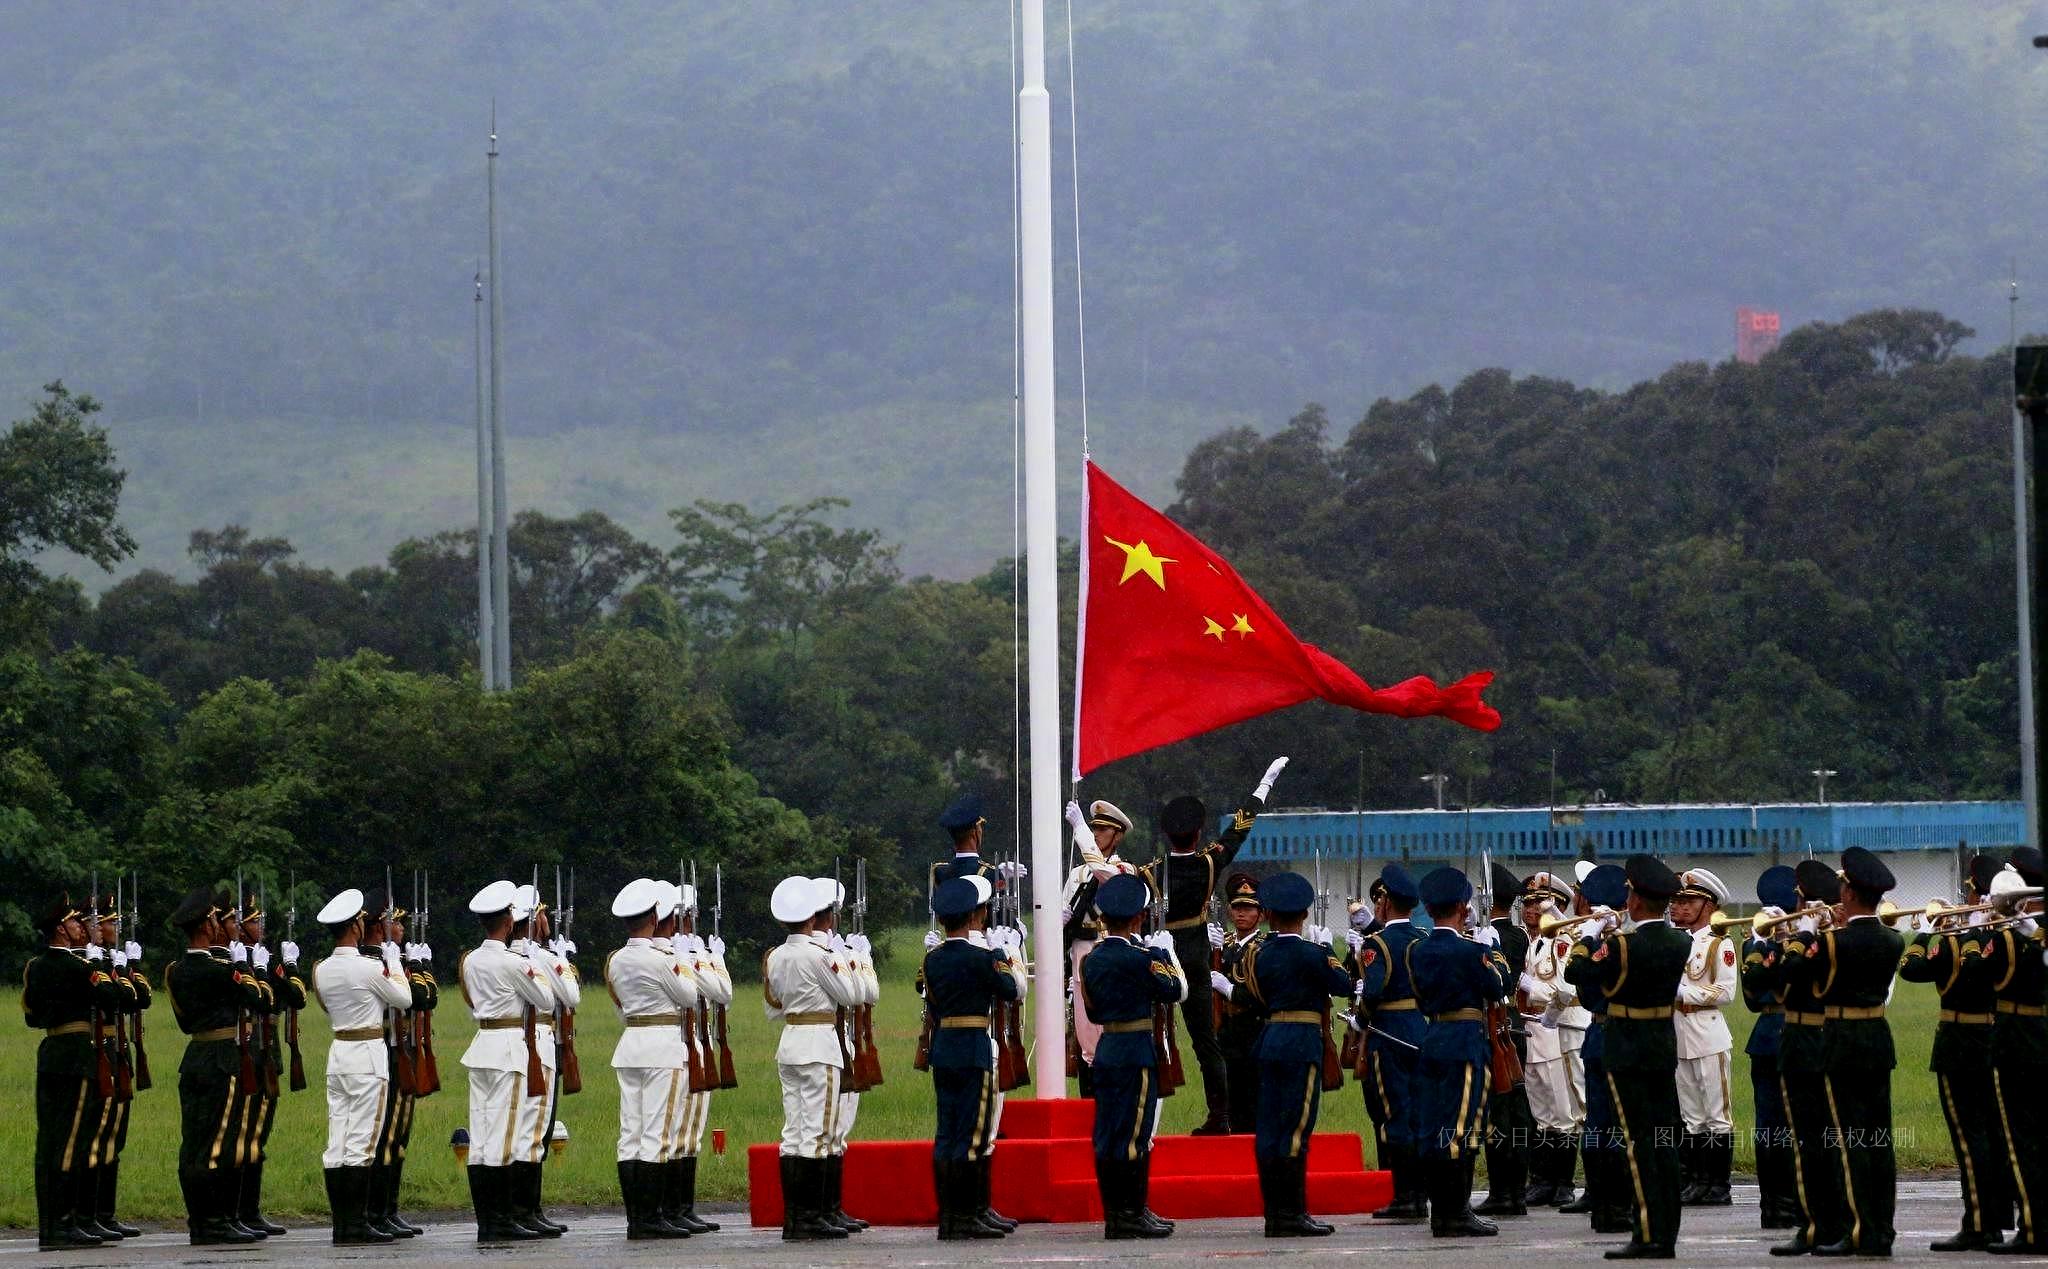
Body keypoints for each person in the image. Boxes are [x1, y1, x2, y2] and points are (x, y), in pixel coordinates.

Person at [1142, 756, 1288, 1135]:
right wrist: (1262, 789)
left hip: (1159, 956)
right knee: (1206, 1042)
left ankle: (1145, 1114)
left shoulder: (1152, 872)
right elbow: (1239, 829)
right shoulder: (1209, 864)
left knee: (1145, 1032)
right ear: (1199, 831)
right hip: (1195, 958)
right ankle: (1219, 1115)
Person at [1779, 846, 1906, 1258]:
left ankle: (1861, 1232)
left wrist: (1807, 932)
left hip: (1842, 1044)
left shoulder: (1833, 943)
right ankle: (1881, 1228)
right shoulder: (1891, 938)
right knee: (1878, 1140)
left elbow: (1794, 972)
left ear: (1848, 894)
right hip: (1877, 1038)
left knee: (1852, 1142)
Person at [1566, 854, 1691, 1260]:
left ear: (1635, 901)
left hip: (1626, 1048)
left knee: (1639, 1144)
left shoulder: (1620, 944)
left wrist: (1590, 934)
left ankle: (1647, 1234)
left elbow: (1575, 971)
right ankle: (1665, 1231)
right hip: (1661, 1045)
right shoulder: (1680, 941)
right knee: (1664, 1140)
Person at [1897, 853, 2009, 1251]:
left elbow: (1910, 967)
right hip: (1998, 1042)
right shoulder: (2011, 937)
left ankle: (1979, 1223)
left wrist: (1929, 928)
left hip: (1960, 1043)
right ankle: (1998, 1216)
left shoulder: (1958, 943)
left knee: (1969, 1137)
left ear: (1977, 894)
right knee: (1996, 1135)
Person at [1240, 870, 1354, 1237]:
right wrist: (1326, 951)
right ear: (1305, 915)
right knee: (1296, 1130)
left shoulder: (1257, 954)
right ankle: (1292, 1214)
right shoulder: (1314, 953)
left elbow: (1255, 996)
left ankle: (1276, 1213)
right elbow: (1344, 986)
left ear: (1269, 914)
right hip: (1303, 1041)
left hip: (1271, 1039)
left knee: (1270, 1130)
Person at [1410, 865, 1515, 1239]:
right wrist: (1494, 950)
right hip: (1465, 1041)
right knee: (1462, 1129)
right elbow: (1498, 987)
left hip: (1434, 1035)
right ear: (1462, 906)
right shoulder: (1472, 950)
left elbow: (1421, 1000)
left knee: (1435, 1127)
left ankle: (1443, 1212)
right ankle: (1456, 1213)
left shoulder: (1418, 950)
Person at [1079, 872, 1185, 1240]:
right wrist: (1165, 953)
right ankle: (1130, 1214)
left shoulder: (1090, 959)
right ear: (1138, 918)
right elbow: (1173, 990)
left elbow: (1093, 1013)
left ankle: (1118, 1214)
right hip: (1136, 1050)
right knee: (1135, 1135)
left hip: (1108, 1049)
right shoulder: (1143, 957)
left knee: (1108, 1133)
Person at [923, 874, 1027, 1240]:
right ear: (975, 917)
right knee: (972, 1133)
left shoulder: (932, 960)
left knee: (947, 1133)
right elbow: (1011, 989)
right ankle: (966, 1217)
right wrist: (1004, 953)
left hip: (945, 1047)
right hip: (973, 1048)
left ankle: (951, 1216)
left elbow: (933, 1002)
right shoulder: (984, 957)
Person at [164, 888, 270, 1245]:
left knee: (192, 1143)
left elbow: (183, 1022)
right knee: (220, 1143)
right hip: (223, 1059)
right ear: (207, 926)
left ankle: (202, 1220)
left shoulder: (176, 971)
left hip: (195, 1056)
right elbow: (257, 997)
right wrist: (243, 965)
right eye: (213, 919)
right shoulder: (221, 970)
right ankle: (216, 1220)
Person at [310, 887, 414, 1245]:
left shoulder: (322, 970)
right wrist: (395, 961)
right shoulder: (369, 967)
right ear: (356, 927)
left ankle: (343, 1224)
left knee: (337, 1140)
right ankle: (355, 1224)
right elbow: (404, 997)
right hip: (367, 1054)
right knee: (362, 1141)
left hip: (339, 1051)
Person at [458, 878, 558, 1243]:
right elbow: (546, 1000)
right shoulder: (515, 962)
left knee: (482, 1138)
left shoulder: (471, 961)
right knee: (503, 1137)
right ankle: (500, 1222)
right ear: (507, 921)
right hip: (509, 1051)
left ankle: (489, 1221)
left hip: (483, 1043)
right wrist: (535, 964)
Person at [765, 874, 864, 1241]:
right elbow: (851, 995)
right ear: (812, 917)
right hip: (820, 1044)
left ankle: (795, 1217)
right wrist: (848, 960)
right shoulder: (820, 955)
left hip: (790, 1041)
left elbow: (774, 1004)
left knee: (793, 1133)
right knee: (818, 1134)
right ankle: (810, 1217)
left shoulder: (775, 956)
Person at [25, 897, 124, 1251]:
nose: (81, 928)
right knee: (72, 1143)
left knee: (49, 1143)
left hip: (51, 1053)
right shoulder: (79, 966)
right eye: (74, 924)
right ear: (60, 930)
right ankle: (63, 1226)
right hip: (78, 1056)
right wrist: (98, 966)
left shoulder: (35, 967)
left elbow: (31, 1016)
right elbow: (112, 997)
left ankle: (51, 1225)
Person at [603, 877, 699, 1239]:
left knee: (631, 1134)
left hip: (631, 1045)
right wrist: (684, 960)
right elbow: (688, 996)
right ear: (655, 916)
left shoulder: (617, 960)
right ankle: (651, 1218)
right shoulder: (663, 959)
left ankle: (637, 1218)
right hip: (661, 1047)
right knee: (657, 1133)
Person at [1768, 858, 1849, 1257]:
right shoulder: (1834, 938)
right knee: (1824, 1139)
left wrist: (1791, 938)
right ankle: (1829, 1221)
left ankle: (1817, 1224)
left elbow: (1783, 976)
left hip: (1806, 1041)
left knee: (1812, 1141)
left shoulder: (1821, 942)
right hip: (1821, 1039)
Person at [1348, 863, 1429, 1220]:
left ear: (1384, 904)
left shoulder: (1376, 943)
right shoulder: (1423, 939)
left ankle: (1406, 1197)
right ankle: (1421, 1194)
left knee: (1395, 1115)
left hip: (1389, 1033)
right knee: (1419, 1114)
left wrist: (1361, 1018)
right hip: (1421, 1029)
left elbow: (1374, 990)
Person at [1559, 862, 1633, 1235]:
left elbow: (1579, 979)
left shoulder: (1600, 945)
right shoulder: (1630, 940)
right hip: (1619, 1037)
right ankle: (1613, 1205)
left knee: (1604, 1127)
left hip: (1604, 1036)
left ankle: (1606, 1207)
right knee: (1610, 1127)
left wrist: (1588, 938)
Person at [1979, 846, 2046, 1256]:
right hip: (2031, 1036)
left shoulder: (2028, 930)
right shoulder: (2022, 928)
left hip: (2021, 1039)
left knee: (2023, 1136)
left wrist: (2016, 925)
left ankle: (2033, 1227)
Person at [509, 884, 577, 1236]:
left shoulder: (509, 955)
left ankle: (528, 1209)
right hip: (538, 1043)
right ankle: (525, 1210)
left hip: (518, 1043)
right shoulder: (542, 959)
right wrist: (560, 958)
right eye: (542, 913)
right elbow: (572, 994)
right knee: (534, 1130)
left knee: (526, 1130)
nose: (547, 918)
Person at [1517, 870, 1588, 1208]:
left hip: (1561, 1027)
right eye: (1527, 904)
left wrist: (1533, 988)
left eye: (1537, 904)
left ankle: (1563, 1182)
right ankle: (1543, 1180)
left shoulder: (1562, 941)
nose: (1530, 910)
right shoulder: (1536, 943)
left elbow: (1568, 989)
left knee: (1565, 1110)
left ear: (1556, 905)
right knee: (1543, 1110)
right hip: (1536, 1030)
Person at [665, 881, 731, 1234]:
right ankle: (670, 1209)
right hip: (678, 1044)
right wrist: (703, 962)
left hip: (699, 1044)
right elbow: (716, 989)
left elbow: (724, 995)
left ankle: (683, 1208)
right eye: (684, 917)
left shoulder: (695, 952)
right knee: (674, 1129)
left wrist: (707, 957)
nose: (689, 922)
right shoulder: (672, 956)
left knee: (692, 1132)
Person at [810, 876, 874, 1235]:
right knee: (827, 1131)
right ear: (828, 918)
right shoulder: (826, 956)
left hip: (832, 1042)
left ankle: (828, 1210)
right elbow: (862, 992)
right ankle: (820, 1212)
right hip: (830, 1044)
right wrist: (859, 961)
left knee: (829, 1132)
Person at [1670, 868, 1737, 1207]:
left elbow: (1726, 992)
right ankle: (1697, 1181)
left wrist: (1686, 993)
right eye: (1676, 901)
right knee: (1692, 1116)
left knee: (1716, 1114)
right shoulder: (1676, 941)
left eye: (1687, 902)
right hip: (1680, 1034)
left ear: (1707, 905)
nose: (1678, 908)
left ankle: (1719, 1185)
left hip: (1708, 1034)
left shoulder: (1719, 943)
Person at [1740, 864, 1802, 1232]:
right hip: (1795, 1034)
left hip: (1767, 1035)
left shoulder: (1756, 942)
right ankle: (1787, 1205)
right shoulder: (1804, 939)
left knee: (1771, 1128)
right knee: (1789, 1129)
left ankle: (1775, 1208)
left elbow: (1752, 997)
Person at [235, 896, 301, 1238]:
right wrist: (254, 969)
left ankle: (251, 1209)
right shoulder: (236, 961)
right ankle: (238, 1210)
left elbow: (296, 996)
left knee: (259, 1133)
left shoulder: (268, 959)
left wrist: (289, 967)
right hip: (248, 1052)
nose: (260, 928)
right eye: (253, 923)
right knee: (243, 1133)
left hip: (268, 1053)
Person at [90, 894, 151, 1242]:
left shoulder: (112, 963)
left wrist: (129, 967)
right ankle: (92, 1213)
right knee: (99, 1134)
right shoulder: (90, 965)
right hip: (100, 1050)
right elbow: (116, 998)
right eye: (108, 923)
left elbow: (140, 998)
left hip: (118, 1053)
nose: (114, 928)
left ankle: (105, 1213)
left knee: (115, 1135)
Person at [1475, 862, 1533, 1217]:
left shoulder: (1491, 938)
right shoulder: (1519, 935)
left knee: (1499, 1113)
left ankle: (1502, 1190)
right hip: (1512, 1024)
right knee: (1516, 1110)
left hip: (1493, 1024)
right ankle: (1515, 1190)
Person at [1061, 799, 1135, 1076]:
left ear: (1117, 836)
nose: (1095, 834)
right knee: (1086, 1040)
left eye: (1103, 830)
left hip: (1111, 952)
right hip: (1081, 956)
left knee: (1112, 1032)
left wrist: (1079, 831)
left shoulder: (1125, 870)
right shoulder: (1077, 874)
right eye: (1092, 828)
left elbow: (1104, 875)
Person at [1212, 872, 1269, 1137]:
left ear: (1261, 914)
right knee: (1228, 1093)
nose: (1241, 914)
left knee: (1252, 1097)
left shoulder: (1263, 947)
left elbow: (1263, 996)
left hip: (1253, 1030)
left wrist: (1231, 991)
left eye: (1248, 908)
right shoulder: (1224, 944)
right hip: (1227, 1030)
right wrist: (1208, 951)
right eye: (1237, 907)